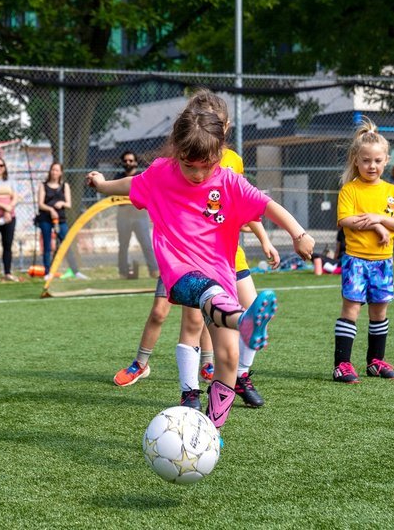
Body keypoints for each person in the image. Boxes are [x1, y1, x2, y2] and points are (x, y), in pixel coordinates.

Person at [87, 98, 314, 429]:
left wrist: (298, 233)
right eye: (189, 165)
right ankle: (243, 322)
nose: (197, 173)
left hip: (220, 275)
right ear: (177, 151)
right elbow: (127, 185)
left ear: (220, 153)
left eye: (205, 165)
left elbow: (267, 205)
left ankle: (211, 429)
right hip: (180, 272)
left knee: (228, 357)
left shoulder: (229, 181)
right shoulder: (160, 174)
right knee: (207, 297)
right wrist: (102, 184)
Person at [112, 92, 281, 409]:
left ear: (224, 126)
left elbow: (248, 204)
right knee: (193, 324)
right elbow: (140, 184)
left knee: (240, 331)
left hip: (229, 258)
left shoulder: (231, 165)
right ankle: (189, 392)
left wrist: (264, 237)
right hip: (187, 260)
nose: (200, 171)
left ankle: (239, 377)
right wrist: (106, 185)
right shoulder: (174, 166)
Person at [332, 118, 394, 384]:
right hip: (356, 261)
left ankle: (375, 361)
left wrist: (379, 218)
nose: (372, 166)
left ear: (386, 160)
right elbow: (345, 220)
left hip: (383, 263)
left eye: (377, 161)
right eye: (366, 161)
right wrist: (375, 223)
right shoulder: (350, 190)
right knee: (351, 310)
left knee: (379, 312)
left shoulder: (393, 192)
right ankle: (341, 365)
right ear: (356, 160)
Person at [35, 161, 87, 279]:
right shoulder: (43, 186)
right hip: (46, 219)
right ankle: (48, 272)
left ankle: (75, 271)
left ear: (61, 173)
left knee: (66, 244)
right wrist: (50, 210)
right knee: (47, 245)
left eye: (57, 170)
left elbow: (68, 204)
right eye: (53, 169)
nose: (54, 172)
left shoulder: (65, 186)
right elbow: (40, 204)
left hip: (61, 219)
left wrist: (61, 203)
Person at [115, 151, 159, 279]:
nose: (128, 163)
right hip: (123, 216)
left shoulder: (141, 176)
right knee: (123, 245)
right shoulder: (118, 177)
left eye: (130, 160)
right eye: (126, 161)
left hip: (139, 216)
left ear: (135, 162)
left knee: (146, 243)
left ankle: (154, 270)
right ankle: (123, 272)